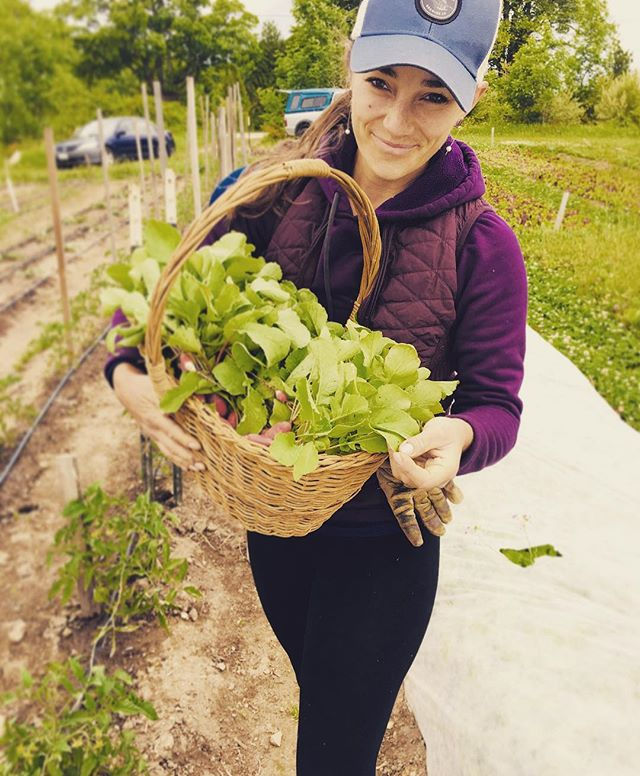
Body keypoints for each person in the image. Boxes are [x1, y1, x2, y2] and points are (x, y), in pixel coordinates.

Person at [104, 0, 527, 772]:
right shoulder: (272, 190)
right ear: (350, 70)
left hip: (386, 538)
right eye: (380, 83)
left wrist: (458, 437)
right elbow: (159, 293)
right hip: (280, 523)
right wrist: (127, 368)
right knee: (321, 688)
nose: (398, 120)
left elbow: (498, 405)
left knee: (335, 751)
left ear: (470, 101)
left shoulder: (483, 244)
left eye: (432, 95)